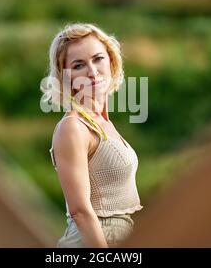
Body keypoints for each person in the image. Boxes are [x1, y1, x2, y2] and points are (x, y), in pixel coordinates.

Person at [41, 23, 143, 248]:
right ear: (66, 76)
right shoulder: (73, 127)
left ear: (111, 59)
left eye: (98, 59)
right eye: (79, 65)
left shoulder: (103, 122)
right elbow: (80, 211)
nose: (92, 71)